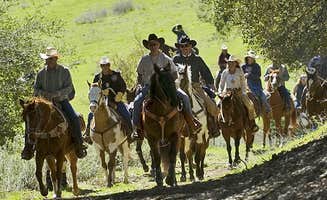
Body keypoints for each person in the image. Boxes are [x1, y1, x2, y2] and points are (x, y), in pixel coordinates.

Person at [21, 47, 87, 160]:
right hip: (44, 104)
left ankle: (79, 145)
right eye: (46, 59)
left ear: (55, 59)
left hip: (62, 101)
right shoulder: (41, 74)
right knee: (30, 121)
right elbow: (36, 89)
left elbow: (69, 87)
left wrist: (56, 94)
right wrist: (45, 94)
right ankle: (28, 148)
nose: (47, 61)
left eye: (50, 59)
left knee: (74, 118)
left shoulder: (64, 71)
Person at [132, 33, 201, 139]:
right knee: (137, 102)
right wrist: (140, 85)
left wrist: (169, 82)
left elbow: (174, 73)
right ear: (148, 46)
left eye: (155, 44)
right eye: (151, 45)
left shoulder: (166, 58)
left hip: (166, 87)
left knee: (185, 97)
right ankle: (137, 128)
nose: (153, 46)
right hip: (149, 87)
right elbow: (140, 75)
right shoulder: (144, 60)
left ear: (159, 45)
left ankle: (192, 122)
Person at [173, 36, 220, 137]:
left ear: (191, 46)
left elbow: (206, 72)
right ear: (180, 48)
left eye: (187, 45)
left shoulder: (197, 59)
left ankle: (214, 128)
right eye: (182, 46)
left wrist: (211, 84)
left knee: (211, 105)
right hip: (179, 87)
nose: (185, 47)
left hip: (195, 86)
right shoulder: (175, 59)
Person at [84, 56, 134, 142]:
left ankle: (131, 133)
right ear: (101, 66)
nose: (105, 67)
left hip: (115, 100)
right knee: (90, 115)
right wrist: (102, 92)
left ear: (109, 65)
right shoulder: (97, 77)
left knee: (126, 114)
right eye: (103, 65)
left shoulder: (116, 74)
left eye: (106, 65)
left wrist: (120, 93)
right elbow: (94, 88)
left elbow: (123, 85)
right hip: (101, 102)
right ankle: (88, 134)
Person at [218, 55, 259, 132]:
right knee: (218, 105)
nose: (230, 64)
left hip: (239, 92)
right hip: (227, 93)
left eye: (232, 63)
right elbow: (221, 84)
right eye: (229, 63)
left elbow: (243, 83)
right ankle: (218, 124)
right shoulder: (225, 72)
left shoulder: (239, 72)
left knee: (250, 105)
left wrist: (243, 92)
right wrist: (220, 92)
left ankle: (252, 124)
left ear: (235, 63)